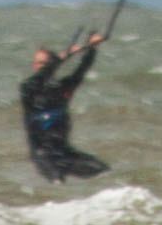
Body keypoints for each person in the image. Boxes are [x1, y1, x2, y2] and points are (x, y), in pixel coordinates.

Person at [19, 28, 111, 182]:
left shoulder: (61, 88)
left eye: (44, 62)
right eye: (38, 63)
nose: (40, 66)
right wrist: (64, 56)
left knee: (105, 173)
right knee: (57, 182)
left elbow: (81, 71)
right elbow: (42, 76)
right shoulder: (28, 88)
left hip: (64, 152)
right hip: (43, 155)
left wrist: (92, 48)